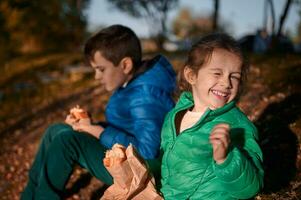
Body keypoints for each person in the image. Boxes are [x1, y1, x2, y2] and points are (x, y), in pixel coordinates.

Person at [21, 24, 176, 199]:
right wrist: (89, 125)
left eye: (101, 69)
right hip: (125, 152)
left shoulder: (146, 95)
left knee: (67, 141)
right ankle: (28, 195)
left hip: (144, 171)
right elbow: (127, 128)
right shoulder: (131, 82)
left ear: (125, 65)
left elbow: (147, 151)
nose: (96, 77)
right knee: (55, 131)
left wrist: (97, 131)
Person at [160, 33, 264, 199]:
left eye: (234, 76)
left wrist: (226, 158)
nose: (226, 83)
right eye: (217, 73)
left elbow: (251, 187)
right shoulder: (173, 117)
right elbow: (168, 166)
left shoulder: (238, 125)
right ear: (191, 75)